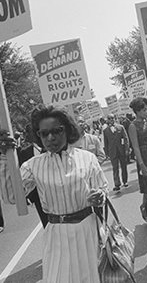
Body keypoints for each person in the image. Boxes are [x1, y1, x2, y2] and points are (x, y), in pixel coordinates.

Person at [19, 106, 108, 282]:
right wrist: (5, 158)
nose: (50, 137)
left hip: (87, 230)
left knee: (91, 278)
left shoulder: (87, 158)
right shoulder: (32, 166)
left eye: (56, 131)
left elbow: (103, 189)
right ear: (39, 136)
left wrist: (99, 196)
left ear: (67, 130)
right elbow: (14, 197)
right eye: (44, 134)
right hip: (56, 233)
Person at [102, 115, 130, 193]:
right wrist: (106, 153)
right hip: (112, 152)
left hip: (121, 150)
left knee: (124, 166)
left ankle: (125, 181)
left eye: (112, 118)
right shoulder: (106, 131)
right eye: (109, 119)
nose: (111, 120)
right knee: (115, 168)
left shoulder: (120, 127)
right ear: (107, 120)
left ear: (115, 119)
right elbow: (106, 143)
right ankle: (117, 183)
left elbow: (125, 138)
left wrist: (127, 149)